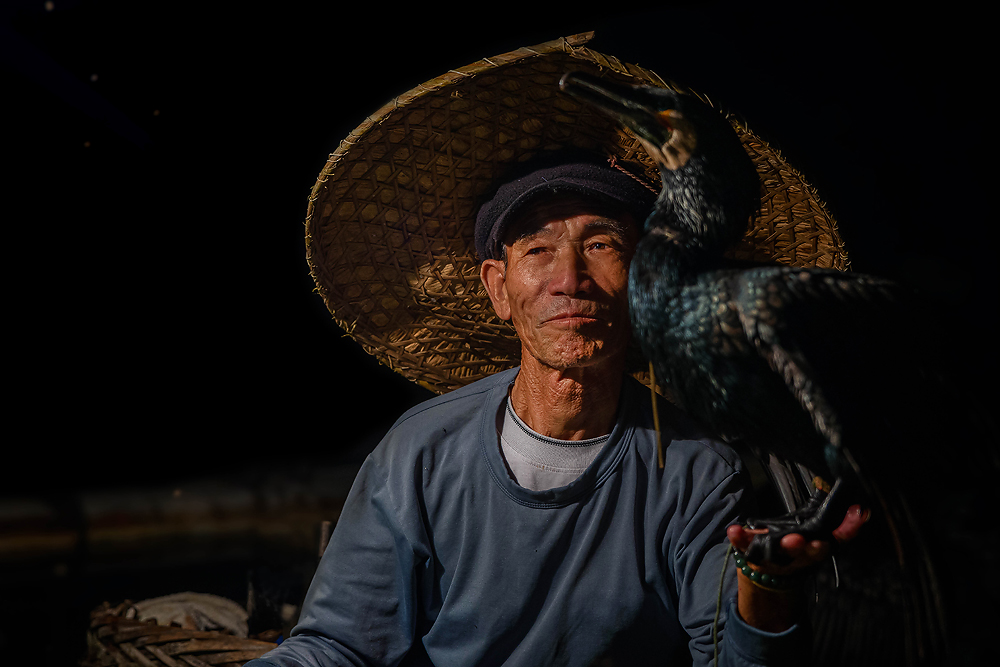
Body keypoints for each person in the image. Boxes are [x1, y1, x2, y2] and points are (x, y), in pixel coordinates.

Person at [246, 35, 864, 667]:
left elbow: (731, 661)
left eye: (602, 245)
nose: (570, 278)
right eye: (537, 250)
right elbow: (340, 645)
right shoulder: (421, 454)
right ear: (499, 289)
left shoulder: (695, 472)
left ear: (644, 279)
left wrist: (767, 585)